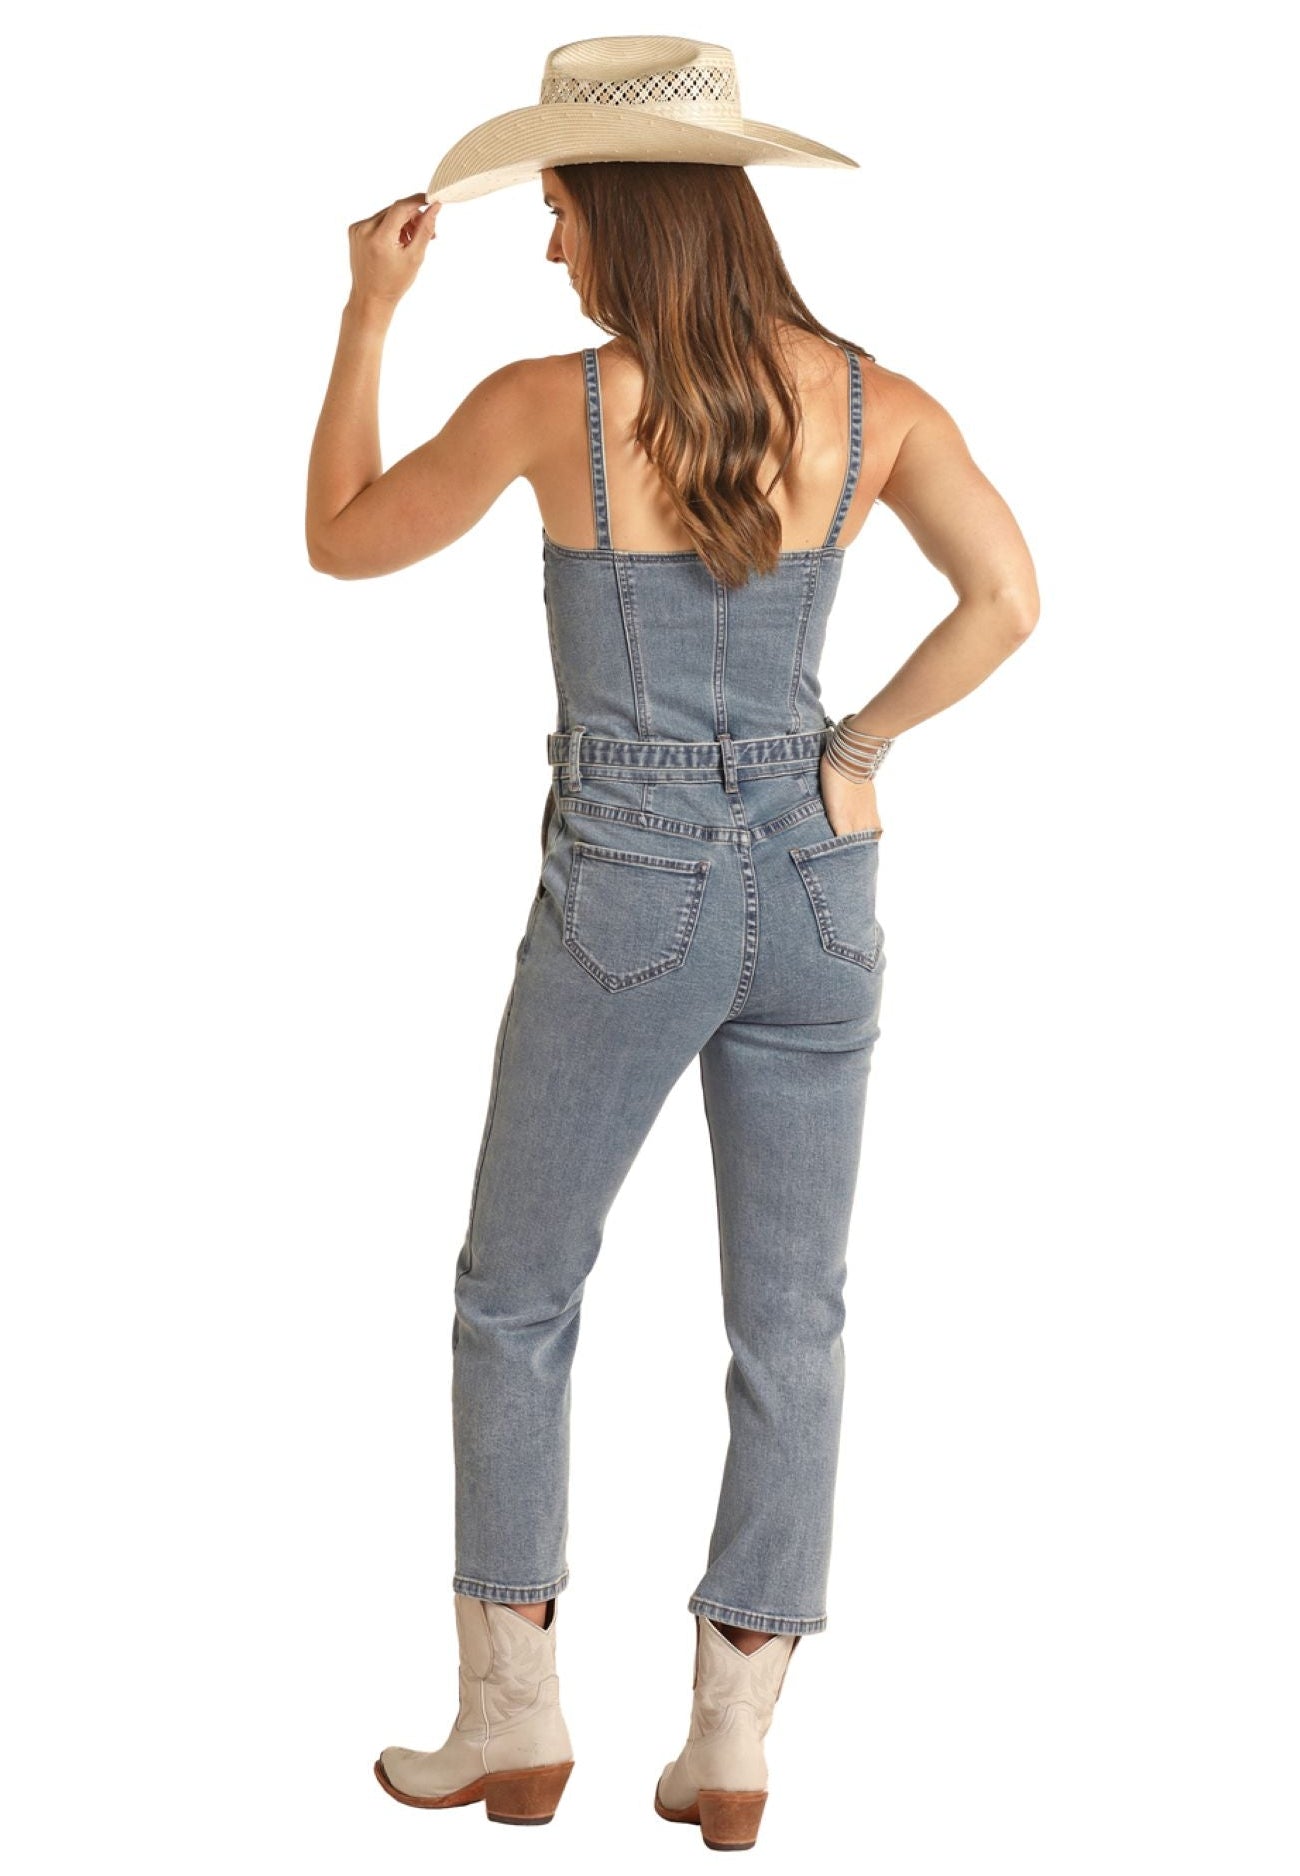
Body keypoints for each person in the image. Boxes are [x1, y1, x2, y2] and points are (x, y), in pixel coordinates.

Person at [306, 34, 1039, 1852]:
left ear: (623, 217)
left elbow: (340, 540)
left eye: (558, 211)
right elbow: (1009, 600)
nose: (551, 245)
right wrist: (855, 751)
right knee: (794, 1318)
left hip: (628, 890)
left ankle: (511, 1714)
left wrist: (368, 315)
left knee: (516, 1293)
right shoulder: (878, 401)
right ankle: (732, 1745)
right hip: (820, 887)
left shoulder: (547, 405)